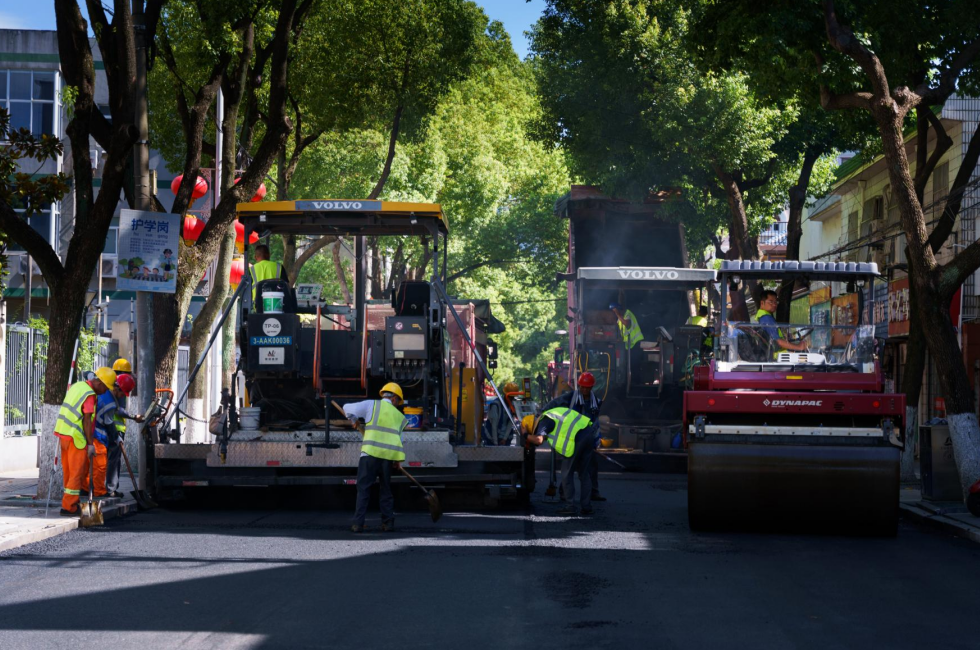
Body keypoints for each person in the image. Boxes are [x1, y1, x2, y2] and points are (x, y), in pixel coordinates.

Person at [343, 382, 407, 533]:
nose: (397, 405)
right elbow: (400, 441)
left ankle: (358, 524)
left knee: (363, 489)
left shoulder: (371, 405)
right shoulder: (399, 417)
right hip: (387, 459)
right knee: (386, 490)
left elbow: (346, 408)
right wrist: (397, 461)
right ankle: (388, 523)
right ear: (394, 398)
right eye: (398, 402)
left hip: (369, 455)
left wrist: (355, 421)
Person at [54, 367, 113, 516]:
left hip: (63, 434)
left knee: (68, 473)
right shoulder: (90, 394)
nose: (105, 391)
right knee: (77, 474)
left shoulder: (77, 386)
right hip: (76, 439)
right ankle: (70, 507)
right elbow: (87, 420)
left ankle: (67, 502)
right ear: (100, 383)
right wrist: (90, 444)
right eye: (106, 388)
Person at [541, 372, 606, 502]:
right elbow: (551, 405)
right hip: (572, 438)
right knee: (569, 468)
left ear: (592, 387)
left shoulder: (596, 403)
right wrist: (542, 416)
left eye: (587, 388)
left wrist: (596, 439)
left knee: (591, 467)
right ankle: (564, 494)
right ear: (579, 386)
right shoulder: (570, 398)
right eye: (582, 387)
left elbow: (595, 421)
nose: (585, 390)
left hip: (587, 438)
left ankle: (593, 493)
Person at [527, 406, 595, 516]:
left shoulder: (545, 420)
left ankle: (570, 506)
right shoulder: (554, 412)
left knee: (566, 473)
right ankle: (587, 507)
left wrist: (525, 435)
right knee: (584, 473)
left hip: (577, 439)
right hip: (588, 432)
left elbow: (538, 440)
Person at [103, 373, 142, 497]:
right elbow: (114, 413)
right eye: (122, 393)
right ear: (118, 387)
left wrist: (132, 417)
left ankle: (111, 488)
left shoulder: (110, 391)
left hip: (113, 430)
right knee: (113, 460)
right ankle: (111, 489)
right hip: (113, 430)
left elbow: (117, 410)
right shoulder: (110, 395)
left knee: (112, 460)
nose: (122, 396)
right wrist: (116, 435)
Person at [754, 290, 807, 354]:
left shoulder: (761, 316)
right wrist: (799, 347)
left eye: (775, 302)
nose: (774, 304)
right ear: (762, 303)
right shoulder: (766, 318)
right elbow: (778, 342)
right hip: (776, 356)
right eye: (771, 302)